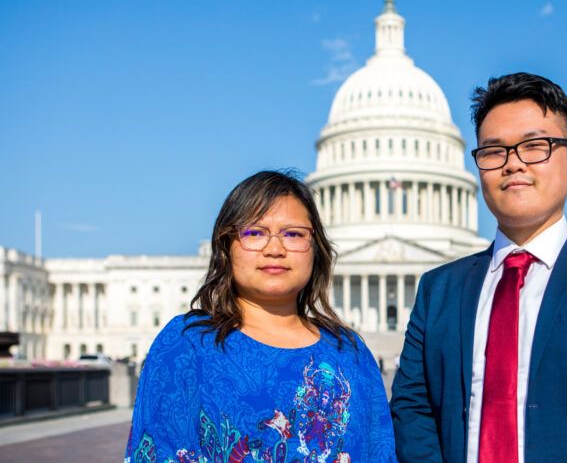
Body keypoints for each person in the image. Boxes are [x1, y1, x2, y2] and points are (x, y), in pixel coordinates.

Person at [390, 73, 567, 462]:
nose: (513, 164)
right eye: (494, 151)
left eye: (534, 146)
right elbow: (413, 410)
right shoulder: (438, 290)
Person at [125, 170, 396, 462]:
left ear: (315, 249)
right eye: (254, 233)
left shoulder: (350, 352)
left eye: (293, 234)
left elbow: (379, 452)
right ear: (226, 246)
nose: (275, 249)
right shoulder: (187, 345)